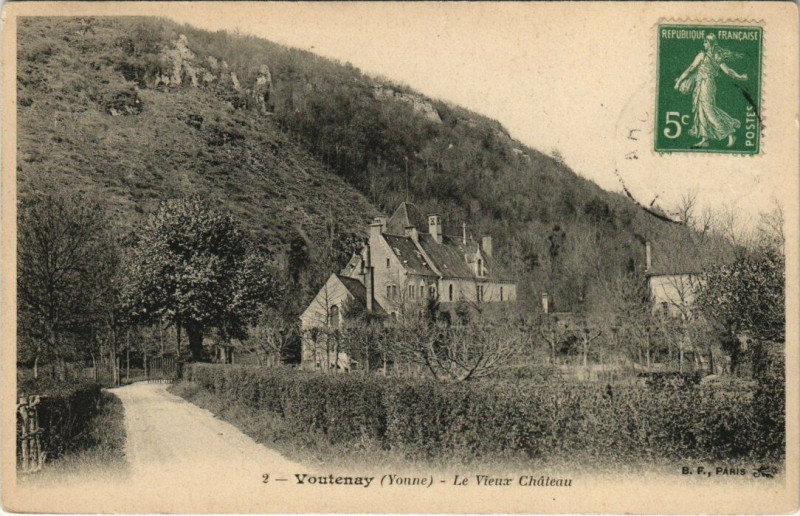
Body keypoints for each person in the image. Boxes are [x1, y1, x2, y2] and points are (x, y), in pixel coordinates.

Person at [674, 33, 749, 148]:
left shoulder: (705, 55)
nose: (704, 44)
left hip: (706, 84)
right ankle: (705, 139)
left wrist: (679, 81)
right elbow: (727, 71)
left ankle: (729, 132)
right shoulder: (715, 56)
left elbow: (691, 68)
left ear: (710, 44)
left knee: (708, 110)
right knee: (701, 110)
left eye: (705, 42)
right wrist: (739, 77)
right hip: (701, 84)